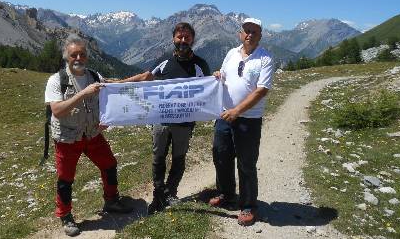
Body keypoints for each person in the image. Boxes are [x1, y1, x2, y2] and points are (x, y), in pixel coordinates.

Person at [45, 34, 131, 237]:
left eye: (82, 54)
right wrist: (83, 93)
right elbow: (57, 110)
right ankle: (65, 216)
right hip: (67, 137)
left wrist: (107, 119)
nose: (78, 58)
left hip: (92, 133)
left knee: (109, 164)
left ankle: (111, 201)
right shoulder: (56, 80)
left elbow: (111, 93)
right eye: (73, 54)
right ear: (66, 56)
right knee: (66, 178)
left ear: (86, 57)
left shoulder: (94, 76)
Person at [121, 22, 210, 214]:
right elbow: (146, 76)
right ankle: (158, 195)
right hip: (161, 120)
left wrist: (218, 77)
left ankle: (171, 193)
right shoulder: (164, 60)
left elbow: (209, 88)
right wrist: (119, 83)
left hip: (185, 122)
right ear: (173, 39)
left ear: (193, 39)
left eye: (187, 37)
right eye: (180, 37)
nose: (183, 40)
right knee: (158, 158)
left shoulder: (200, 64)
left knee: (179, 158)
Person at [209, 17, 274, 226]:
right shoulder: (231, 54)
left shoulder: (265, 58)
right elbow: (224, 76)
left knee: (246, 163)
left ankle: (248, 205)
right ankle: (226, 194)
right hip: (225, 116)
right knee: (221, 156)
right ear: (240, 33)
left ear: (260, 36)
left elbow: (261, 90)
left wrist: (237, 110)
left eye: (254, 32)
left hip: (248, 119)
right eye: (246, 30)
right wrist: (218, 74)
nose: (250, 35)